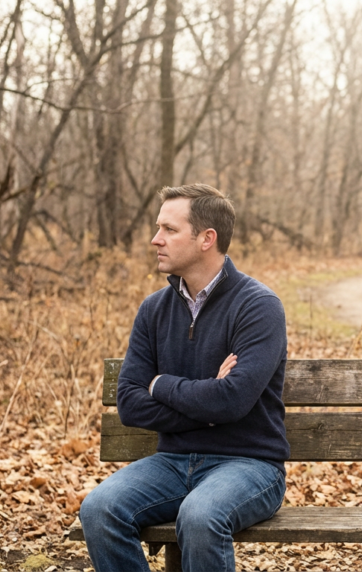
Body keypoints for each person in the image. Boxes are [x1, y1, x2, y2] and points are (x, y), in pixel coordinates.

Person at [79, 184, 289, 572]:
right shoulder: (154, 309)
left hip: (250, 465)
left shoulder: (259, 307)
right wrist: (210, 403)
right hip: (172, 462)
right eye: (159, 228)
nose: (155, 239)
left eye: (169, 230)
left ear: (207, 238)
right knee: (99, 509)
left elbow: (233, 400)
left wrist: (160, 385)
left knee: (199, 516)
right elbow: (129, 401)